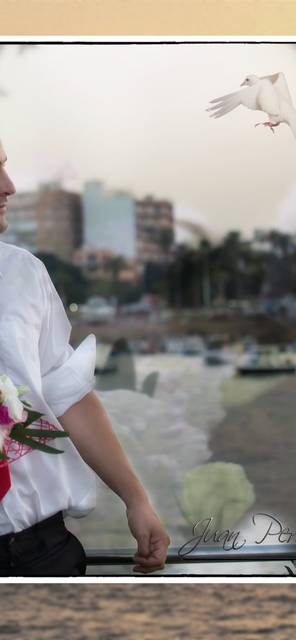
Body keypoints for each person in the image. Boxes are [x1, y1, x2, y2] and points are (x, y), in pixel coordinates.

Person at [0, 139, 169, 576]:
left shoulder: (22, 273)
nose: (9, 186)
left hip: (41, 552)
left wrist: (136, 499)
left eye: (4, 166)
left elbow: (65, 393)